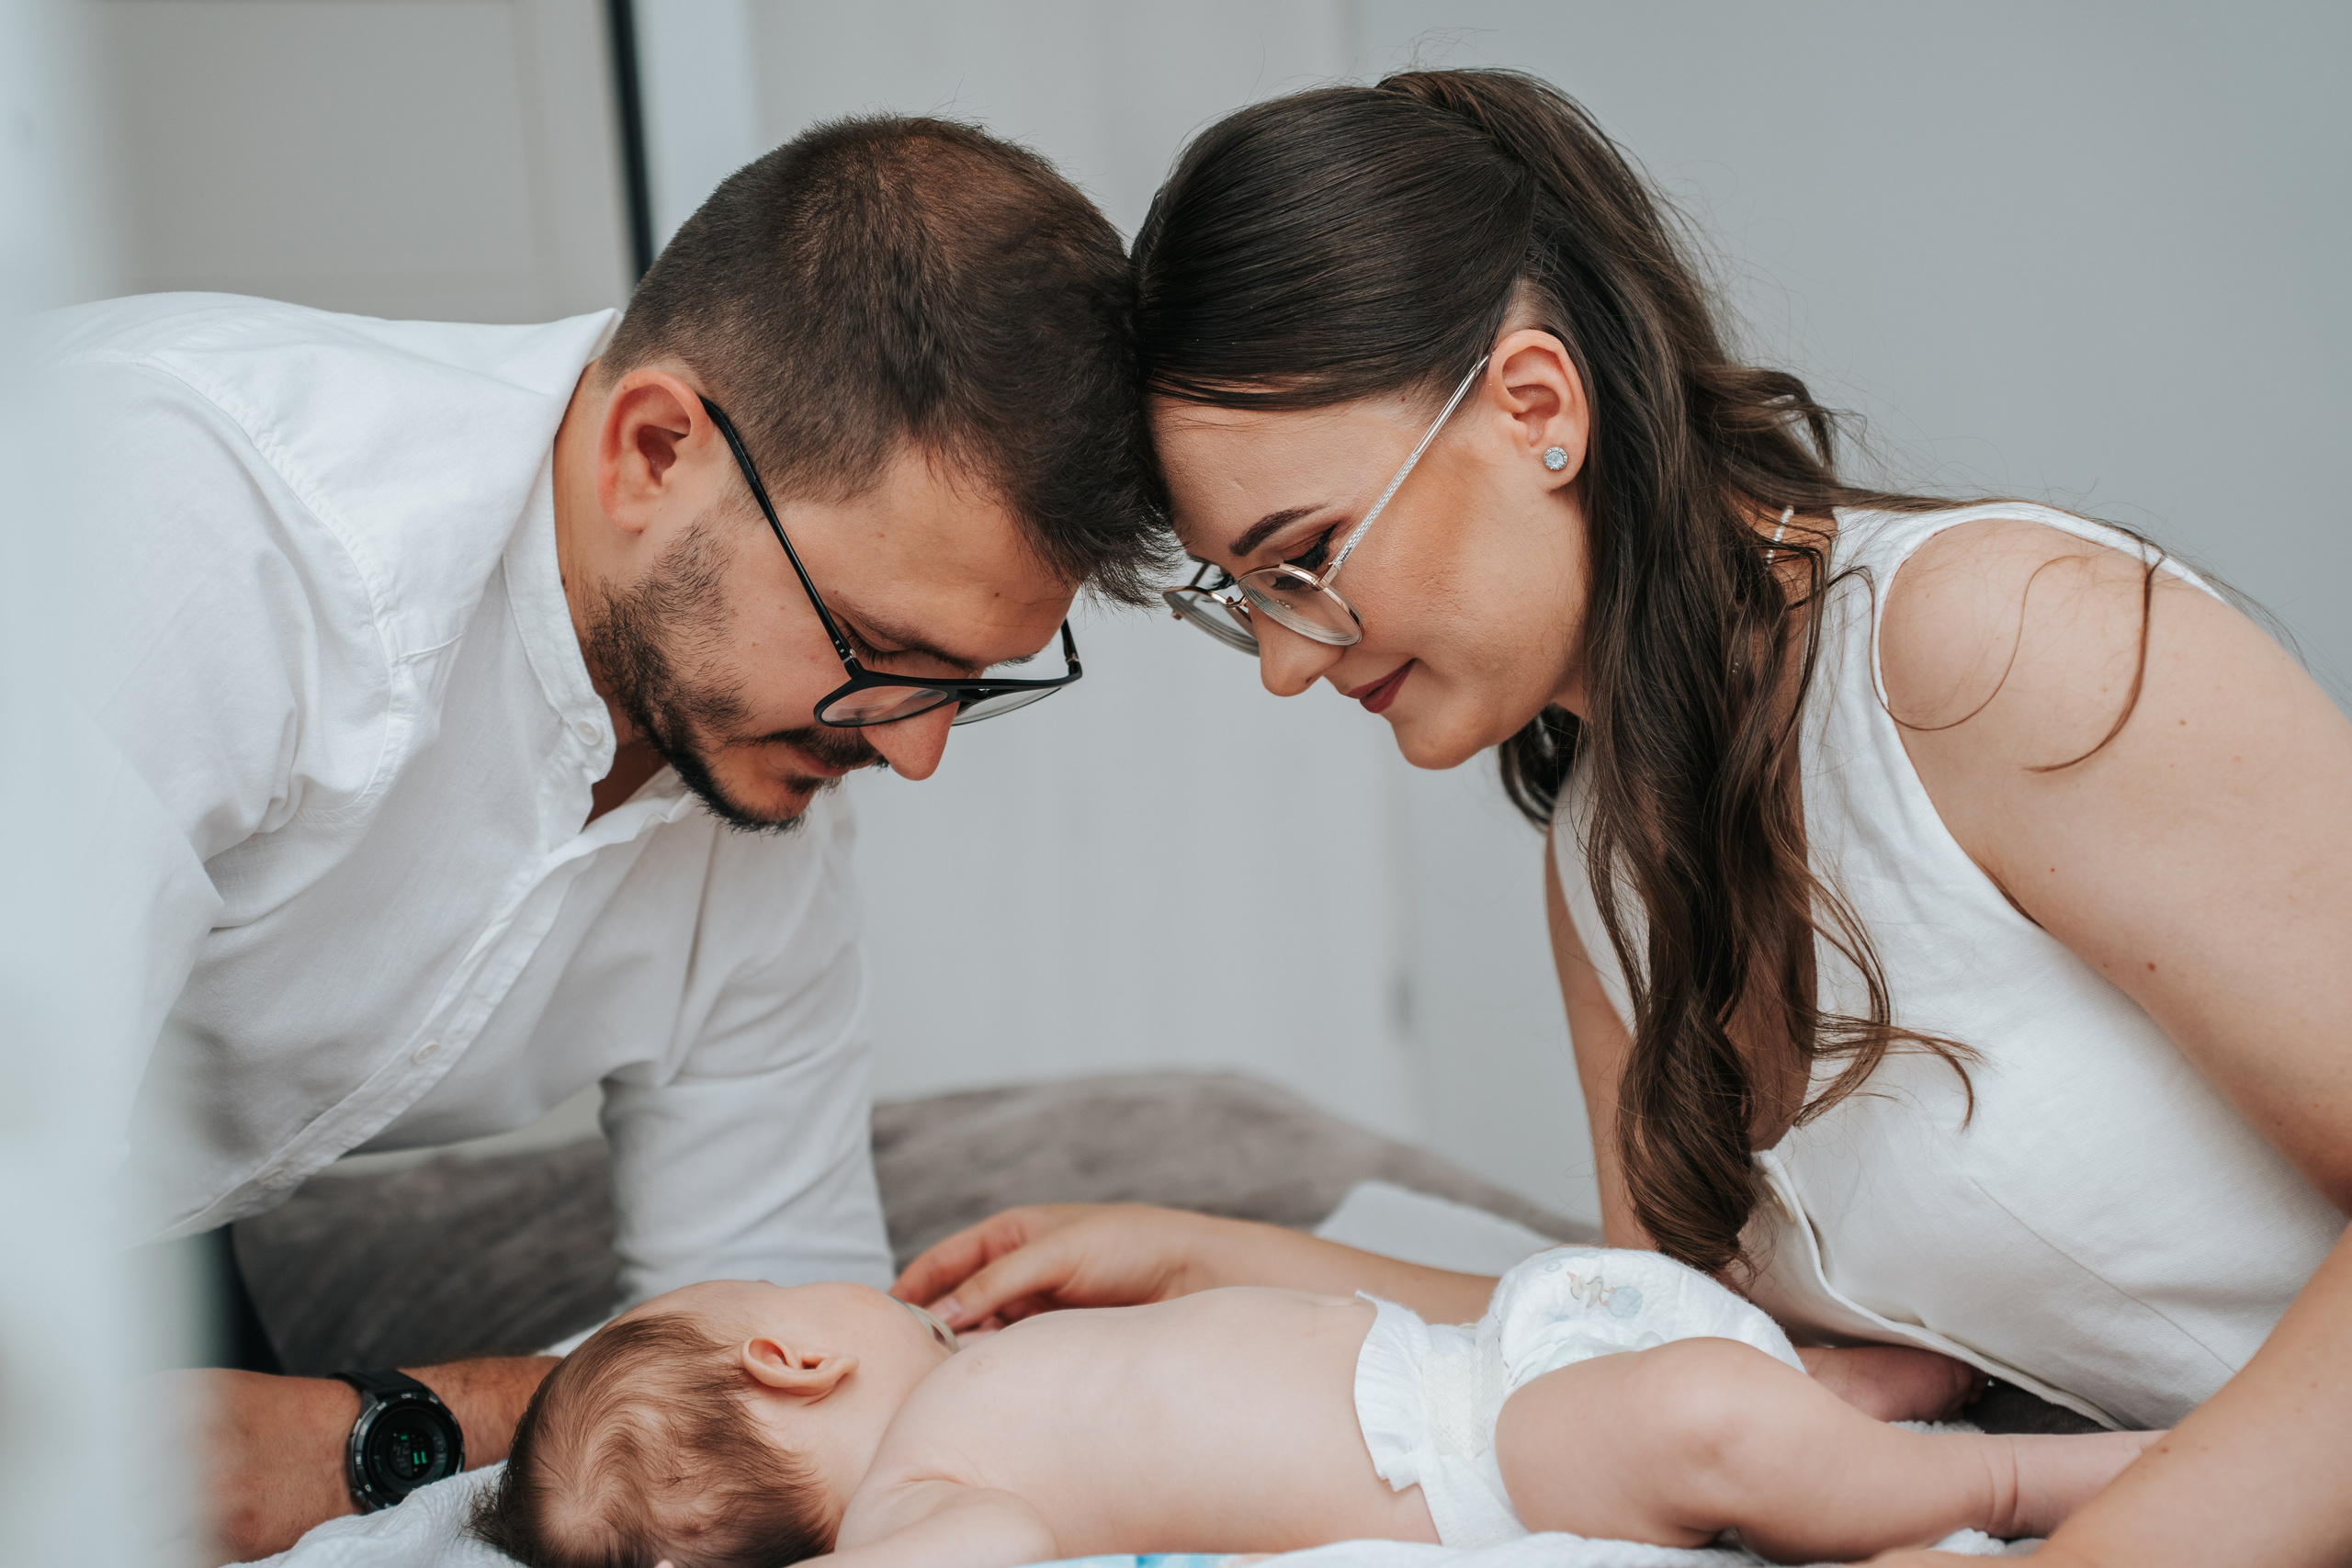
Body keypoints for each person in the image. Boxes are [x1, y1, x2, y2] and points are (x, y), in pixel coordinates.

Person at [895, 68, 2352, 1568]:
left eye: (1308, 558)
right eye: (1245, 598)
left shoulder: (1994, 645)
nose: (1284, 661)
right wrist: (1218, 1265)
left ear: (1538, 407)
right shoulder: (1606, 859)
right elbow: (1667, 1341)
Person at [52, 114, 1159, 1561]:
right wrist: (405, 1424)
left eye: (967, 686)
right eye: (882, 650)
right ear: (652, 451)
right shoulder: (197, 543)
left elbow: (798, 1399)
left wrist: (369, 1431)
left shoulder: (763, 798)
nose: (916, 749)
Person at [474, 1261, 2156, 1567]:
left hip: (1504, 1348)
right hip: (1484, 1463)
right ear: (790, 1360)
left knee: (1729, 1372)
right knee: (1708, 1422)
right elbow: (969, 1552)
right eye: (789, 1289)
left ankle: (1855, 1402)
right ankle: (2031, 1477)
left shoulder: (987, 1384)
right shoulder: (932, 1486)